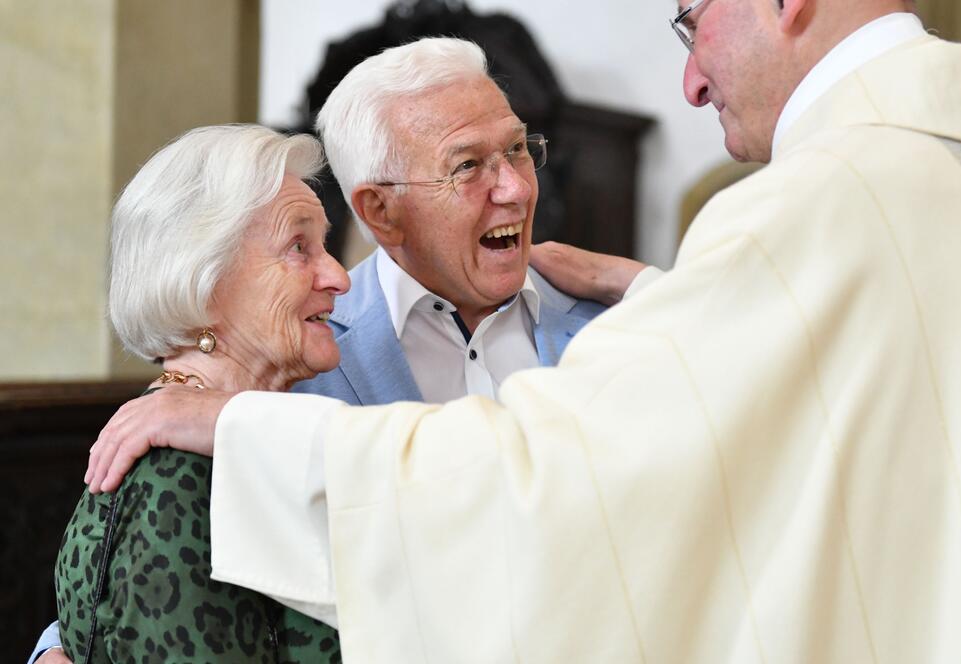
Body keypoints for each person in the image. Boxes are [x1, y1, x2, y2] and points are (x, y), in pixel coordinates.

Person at [86, 3, 961, 662]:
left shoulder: (825, 202)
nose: (691, 75)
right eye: (467, 166)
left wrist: (255, 438)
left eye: (693, 19)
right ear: (378, 209)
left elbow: (559, 489)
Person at [30, 38, 606, 663]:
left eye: (518, 150)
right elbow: (150, 589)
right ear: (381, 211)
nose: (517, 190)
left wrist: (648, 289)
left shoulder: (620, 326)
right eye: (467, 165)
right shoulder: (300, 355)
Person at [52, 124, 348, 662]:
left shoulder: (238, 446)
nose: (338, 277)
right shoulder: (176, 475)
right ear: (204, 279)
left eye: (325, 245)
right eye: (299, 247)